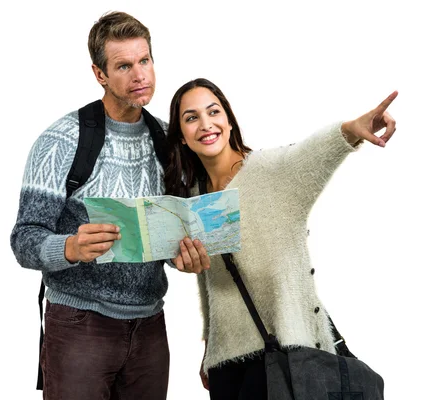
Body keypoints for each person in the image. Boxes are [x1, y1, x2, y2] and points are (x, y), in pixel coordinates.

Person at [10, 11, 207, 400]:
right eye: (124, 66)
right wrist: (69, 247)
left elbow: (167, 238)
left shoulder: (167, 142)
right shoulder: (61, 140)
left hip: (150, 327)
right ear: (100, 74)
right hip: (79, 326)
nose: (140, 76)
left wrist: (183, 255)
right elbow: (24, 239)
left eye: (145, 61)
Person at [164, 78, 397, 399]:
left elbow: (313, 153)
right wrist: (208, 344)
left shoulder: (271, 171)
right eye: (191, 118)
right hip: (226, 366)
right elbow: (211, 282)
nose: (205, 124)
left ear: (229, 122)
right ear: (182, 137)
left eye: (213, 112)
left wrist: (353, 129)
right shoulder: (193, 197)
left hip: (290, 353)